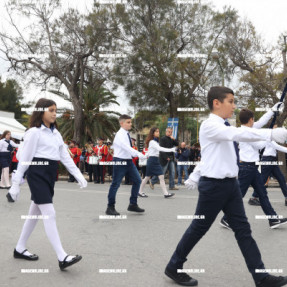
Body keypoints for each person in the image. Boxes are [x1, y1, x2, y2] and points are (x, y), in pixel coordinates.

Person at [165, 86, 287, 287]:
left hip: (230, 185)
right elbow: (240, 134)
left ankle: (261, 277)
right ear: (216, 103)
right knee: (198, 228)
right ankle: (174, 265)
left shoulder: (223, 126)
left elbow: (213, 154)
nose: (234, 106)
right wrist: (273, 135)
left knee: (243, 230)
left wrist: (271, 115)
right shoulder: (210, 125)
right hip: (214, 186)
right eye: (231, 101)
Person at [7, 98, 87, 270]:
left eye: (55, 110)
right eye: (50, 110)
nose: (54, 113)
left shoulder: (55, 133)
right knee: (49, 213)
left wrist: (78, 175)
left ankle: (20, 248)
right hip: (37, 173)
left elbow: (64, 156)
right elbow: (25, 158)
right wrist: (15, 183)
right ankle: (62, 256)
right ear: (41, 111)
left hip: (50, 175)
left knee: (34, 213)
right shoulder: (34, 132)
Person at [220, 108, 287, 230]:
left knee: (262, 194)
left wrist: (272, 111)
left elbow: (262, 121)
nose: (255, 121)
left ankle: (273, 219)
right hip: (247, 168)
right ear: (251, 120)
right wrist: (269, 137)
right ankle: (226, 219)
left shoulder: (248, 128)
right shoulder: (245, 133)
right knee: (239, 195)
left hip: (251, 168)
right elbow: (259, 145)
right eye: (253, 119)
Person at [106, 114, 147, 216]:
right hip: (120, 161)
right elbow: (126, 148)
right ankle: (110, 207)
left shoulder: (126, 134)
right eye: (128, 122)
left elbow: (128, 148)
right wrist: (139, 154)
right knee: (115, 184)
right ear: (121, 123)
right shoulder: (120, 135)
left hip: (128, 161)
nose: (130, 124)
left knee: (138, 180)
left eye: (130, 122)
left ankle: (133, 204)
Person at [249, 126, 287, 207]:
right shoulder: (269, 138)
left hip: (272, 160)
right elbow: (277, 147)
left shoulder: (272, 139)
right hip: (267, 159)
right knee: (262, 180)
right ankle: (253, 198)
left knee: (281, 178)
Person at [138, 127, 176, 198]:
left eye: (158, 131)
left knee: (160, 176)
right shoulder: (152, 142)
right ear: (153, 133)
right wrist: (171, 149)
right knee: (147, 177)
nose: (158, 133)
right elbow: (160, 149)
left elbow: (150, 151)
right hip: (152, 161)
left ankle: (165, 193)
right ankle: (140, 191)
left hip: (155, 160)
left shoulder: (155, 142)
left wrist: (144, 156)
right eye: (157, 131)